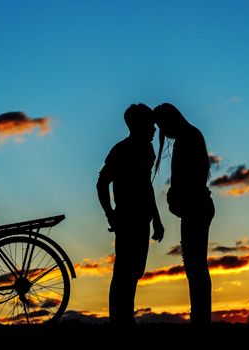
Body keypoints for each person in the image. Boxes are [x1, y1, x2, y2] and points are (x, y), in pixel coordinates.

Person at [97, 103, 164, 326]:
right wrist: (110, 214)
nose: (155, 130)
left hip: (142, 218)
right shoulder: (120, 150)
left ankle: (125, 317)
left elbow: (147, 186)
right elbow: (101, 183)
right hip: (126, 218)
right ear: (139, 125)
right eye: (151, 125)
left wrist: (157, 219)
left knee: (135, 270)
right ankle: (120, 320)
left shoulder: (148, 150)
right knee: (124, 271)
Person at [153, 102, 215, 327]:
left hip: (195, 208)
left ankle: (200, 318)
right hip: (197, 206)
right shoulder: (191, 136)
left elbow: (188, 179)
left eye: (162, 125)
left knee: (195, 266)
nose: (163, 132)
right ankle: (200, 316)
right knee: (196, 265)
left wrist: (175, 196)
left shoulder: (187, 139)